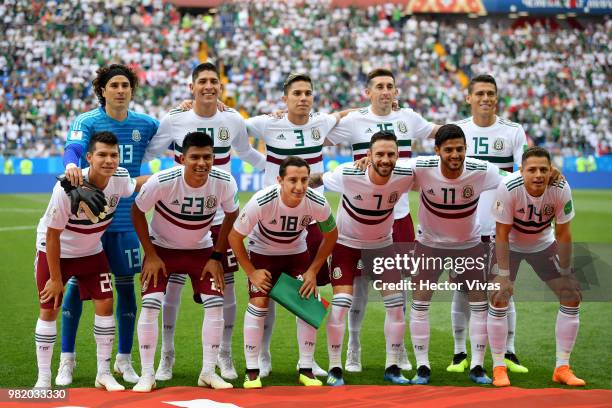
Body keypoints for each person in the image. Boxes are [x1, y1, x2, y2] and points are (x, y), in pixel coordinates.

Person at [143, 62, 265, 381]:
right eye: (203, 82)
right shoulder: (175, 118)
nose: (209, 86)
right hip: (180, 214)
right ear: (191, 87)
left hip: (220, 216)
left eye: (214, 81)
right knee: (171, 287)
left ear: (220, 87)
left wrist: (282, 171)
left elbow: (248, 153)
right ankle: (166, 356)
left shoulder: (232, 118)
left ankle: (223, 354)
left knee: (224, 289)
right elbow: (151, 153)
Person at [326, 68, 440, 372]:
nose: (386, 91)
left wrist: (472, 126)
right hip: (361, 217)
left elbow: (439, 132)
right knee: (358, 287)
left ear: (396, 91)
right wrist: (340, 113)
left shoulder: (409, 119)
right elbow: (317, 132)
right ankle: (353, 346)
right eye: (379, 87)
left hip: (399, 216)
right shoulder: (354, 122)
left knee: (397, 289)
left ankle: (399, 349)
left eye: (390, 86)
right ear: (368, 92)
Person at [58, 64, 160, 385]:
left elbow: (175, 133)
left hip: (126, 219)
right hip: (89, 221)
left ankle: (124, 360)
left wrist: (190, 109)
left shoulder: (145, 124)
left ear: (132, 90)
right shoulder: (87, 121)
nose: (120, 90)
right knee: (77, 286)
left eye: (125, 85)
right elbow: (73, 148)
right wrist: (72, 166)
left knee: (127, 287)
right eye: (113, 85)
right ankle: (67, 359)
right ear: (102, 90)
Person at [245, 73, 342, 377]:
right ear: (285, 98)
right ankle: (262, 355)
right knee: (265, 294)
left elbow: (343, 115)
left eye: (308, 93)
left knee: (309, 293)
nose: (303, 98)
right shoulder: (266, 123)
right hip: (272, 217)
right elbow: (235, 129)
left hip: (311, 220)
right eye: (297, 93)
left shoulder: (321, 122)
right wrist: (262, 164)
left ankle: (309, 361)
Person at [33, 131, 147, 390]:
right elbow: (52, 236)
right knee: (49, 309)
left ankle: (103, 373)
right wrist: (55, 278)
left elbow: (136, 184)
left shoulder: (118, 178)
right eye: (102, 155)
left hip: (92, 252)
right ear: (89, 157)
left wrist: (173, 174)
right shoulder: (67, 187)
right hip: (56, 253)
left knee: (106, 305)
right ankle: (43, 377)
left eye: (113, 155)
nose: (109, 160)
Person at [131, 131, 239, 392]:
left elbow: (232, 215)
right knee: (151, 303)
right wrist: (152, 254)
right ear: (181, 158)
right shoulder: (162, 181)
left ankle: (208, 372)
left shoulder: (224, 181)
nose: (202, 163)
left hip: (201, 251)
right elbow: (136, 211)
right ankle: (147, 374)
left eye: (207, 157)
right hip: (162, 249)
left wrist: (216, 255)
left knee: (216, 303)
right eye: (195, 157)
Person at [309, 131, 416, 386]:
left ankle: (392, 366)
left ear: (398, 156)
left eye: (391, 154)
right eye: (379, 154)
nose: (385, 159)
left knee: (396, 304)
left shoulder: (406, 175)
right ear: (368, 156)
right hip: (347, 247)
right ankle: (336, 367)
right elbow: (316, 180)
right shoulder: (348, 173)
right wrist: (290, 183)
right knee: (342, 303)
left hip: (382, 247)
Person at [408, 124, 507, 385]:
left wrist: (549, 175)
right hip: (429, 244)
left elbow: (513, 179)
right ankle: (422, 366)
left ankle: (476, 365)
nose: (455, 155)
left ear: (466, 149)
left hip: (469, 245)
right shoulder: (421, 167)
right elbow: (387, 167)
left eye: (460, 149)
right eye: (449, 150)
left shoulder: (481, 170)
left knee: (478, 303)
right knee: (420, 304)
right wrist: (365, 162)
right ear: (437, 150)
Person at [228, 156, 338, 389]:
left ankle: (306, 368)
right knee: (259, 303)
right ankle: (252, 372)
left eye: (304, 180)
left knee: (308, 300)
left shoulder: (316, 201)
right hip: (262, 254)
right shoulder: (262, 200)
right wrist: (251, 272)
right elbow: (234, 236)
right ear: (280, 180)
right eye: (293, 180)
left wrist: (312, 270)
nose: (299, 186)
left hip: (295, 254)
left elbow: (332, 235)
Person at [448, 74, 529, 374]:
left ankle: (509, 350)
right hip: (464, 226)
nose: (485, 98)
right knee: (462, 289)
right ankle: (459, 353)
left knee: (503, 289)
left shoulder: (513, 131)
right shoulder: (458, 131)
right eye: (479, 93)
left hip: (501, 228)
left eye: (490, 93)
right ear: (468, 98)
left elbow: (523, 172)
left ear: (497, 98)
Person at [488, 146, 584, 387]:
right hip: (509, 244)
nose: (538, 175)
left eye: (543, 169)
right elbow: (501, 234)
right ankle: (499, 366)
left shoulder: (561, 188)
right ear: (521, 171)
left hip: (542, 243)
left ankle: (562, 367)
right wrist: (503, 275)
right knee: (499, 296)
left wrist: (566, 271)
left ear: (551, 170)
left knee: (571, 296)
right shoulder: (509, 187)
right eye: (532, 170)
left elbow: (563, 232)